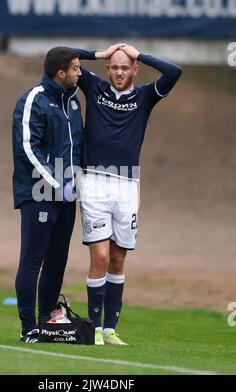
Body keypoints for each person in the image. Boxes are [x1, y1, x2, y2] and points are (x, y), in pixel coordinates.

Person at [75, 44, 182, 345]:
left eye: (125, 67)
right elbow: (60, 54)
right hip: (95, 182)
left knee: (118, 260)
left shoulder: (146, 96)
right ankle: (93, 329)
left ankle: (109, 330)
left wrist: (139, 54)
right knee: (100, 256)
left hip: (127, 186)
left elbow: (175, 72)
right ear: (108, 69)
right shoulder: (94, 87)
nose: (119, 72)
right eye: (114, 67)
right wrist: (100, 54)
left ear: (134, 69)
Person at [12, 47, 83, 343]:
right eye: (77, 68)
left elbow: (77, 146)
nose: (81, 73)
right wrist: (58, 182)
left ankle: (46, 323)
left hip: (67, 195)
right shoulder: (33, 99)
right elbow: (29, 148)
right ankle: (28, 328)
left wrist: (78, 180)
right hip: (38, 192)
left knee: (57, 261)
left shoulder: (74, 102)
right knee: (33, 260)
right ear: (61, 73)